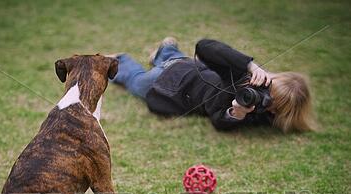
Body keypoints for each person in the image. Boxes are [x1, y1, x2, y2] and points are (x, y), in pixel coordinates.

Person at [111, 37, 316, 132]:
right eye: (267, 92)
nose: (263, 102)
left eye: (272, 107)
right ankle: (120, 60)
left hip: (188, 67)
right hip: (169, 81)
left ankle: (167, 50)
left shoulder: (259, 111)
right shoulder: (244, 75)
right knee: (136, 82)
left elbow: (218, 119)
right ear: (268, 78)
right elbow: (204, 46)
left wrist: (236, 114)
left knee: (174, 59)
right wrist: (249, 65)